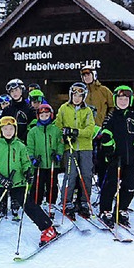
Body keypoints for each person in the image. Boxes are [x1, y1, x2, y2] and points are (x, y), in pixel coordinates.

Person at [0, 116, 58, 246]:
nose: (8, 131)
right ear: (0, 130)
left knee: (29, 205)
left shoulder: (20, 146)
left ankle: (47, 228)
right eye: (5, 129)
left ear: (15, 130)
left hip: (17, 182)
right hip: (0, 182)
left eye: (11, 128)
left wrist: (27, 171)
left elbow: (25, 162)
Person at [97, 86, 134, 227]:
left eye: (126, 99)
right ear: (115, 100)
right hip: (115, 158)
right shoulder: (111, 116)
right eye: (120, 98)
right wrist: (110, 150)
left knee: (130, 184)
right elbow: (106, 135)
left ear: (129, 100)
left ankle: (121, 209)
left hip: (131, 158)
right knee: (111, 185)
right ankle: (105, 210)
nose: (123, 101)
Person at [55, 82, 95, 219]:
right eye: (74, 95)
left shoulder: (87, 111)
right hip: (70, 147)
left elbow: (90, 131)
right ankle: (66, 201)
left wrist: (75, 132)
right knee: (70, 175)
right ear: (70, 95)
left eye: (80, 96)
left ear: (84, 97)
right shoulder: (63, 108)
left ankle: (84, 201)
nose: (77, 98)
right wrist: (64, 135)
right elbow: (57, 126)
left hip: (85, 147)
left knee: (86, 175)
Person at [26, 104, 64, 208]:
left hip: (52, 163)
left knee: (52, 184)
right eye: (42, 116)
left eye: (46, 115)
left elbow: (60, 144)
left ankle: (51, 203)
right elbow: (29, 147)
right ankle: (36, 203)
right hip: (40, 164)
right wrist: (32, 158)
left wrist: (58, 155)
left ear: (50, 115)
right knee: (38, 184)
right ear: (38, 117)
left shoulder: (56, 130)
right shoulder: (33, 131)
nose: (44, 118)